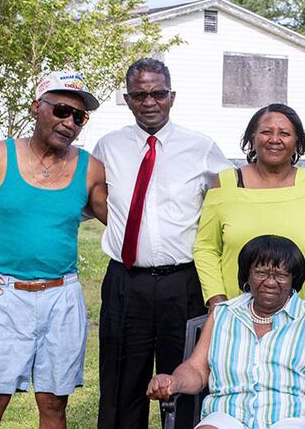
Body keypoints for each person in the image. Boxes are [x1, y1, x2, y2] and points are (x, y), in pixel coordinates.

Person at [0, 71, 107, 428]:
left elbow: (121, 221)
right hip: (3, 296)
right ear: (35, 108)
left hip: (62, 297)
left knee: (55, 406)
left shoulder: (90, 169)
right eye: (60, 110)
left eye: (79, 116)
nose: (69, 122)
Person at [94, 58, 233, 429]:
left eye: (158, 93)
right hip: (126, 281)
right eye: (140, 94)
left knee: (186, 381)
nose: (149, 101)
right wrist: (126, 231)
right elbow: (92, 199)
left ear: (172, 96)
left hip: (183, 283)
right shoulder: (108, 147)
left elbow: (229, 202)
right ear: (127, 99)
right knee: (122, 383)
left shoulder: (200, 147)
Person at [148, 235, 305, 429]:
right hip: (230, 414)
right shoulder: (224, 314)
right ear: (247, 275)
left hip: (295, 415)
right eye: (261, 272)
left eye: (281, 275)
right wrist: (174, 381)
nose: (270, 282)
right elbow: (196, 369)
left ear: (293, 279)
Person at [194, 103, 305, 307]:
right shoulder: (225, 184)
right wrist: (217, 303)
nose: (275, 139)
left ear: (297, 141)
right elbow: (206, 249)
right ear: (252, 138)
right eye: (266, 132)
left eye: (285, 133)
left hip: (302, 318)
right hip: (234, 315)